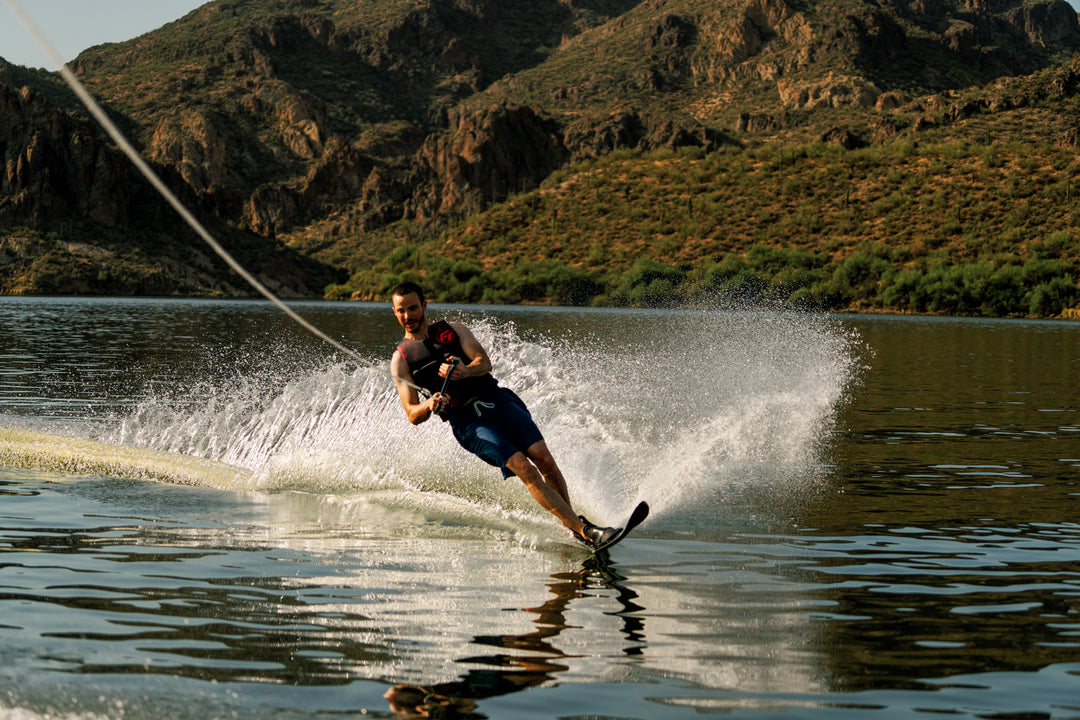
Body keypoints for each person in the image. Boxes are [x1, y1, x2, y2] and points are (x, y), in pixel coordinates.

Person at [389, 281, 616, 548]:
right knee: (524, 467)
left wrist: (465, 369)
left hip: (496, 400)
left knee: (544, 460)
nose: (408, 316)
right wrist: (429, 405)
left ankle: (575, 528)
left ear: (424, 306)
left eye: (413, 308)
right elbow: (412, 414)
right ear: (394, 312)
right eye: (401, 310)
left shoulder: (454, 330)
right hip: (468, 422)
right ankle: (586, 531)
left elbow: (484, 363)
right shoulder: (401, 359)